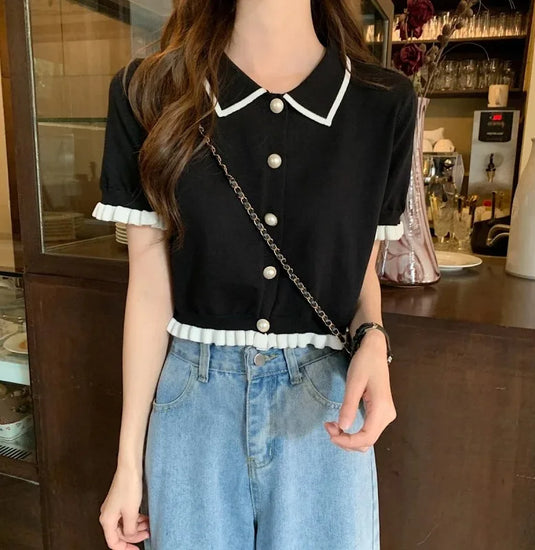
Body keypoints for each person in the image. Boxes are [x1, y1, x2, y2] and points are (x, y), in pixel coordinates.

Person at [93, 0, 417, 548]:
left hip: (323, 402)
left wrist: (373, 336)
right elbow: (148, 289)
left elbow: (358, 265)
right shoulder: (149, 92)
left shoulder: (382, 102)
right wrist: (127, 465)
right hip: (193, 406)